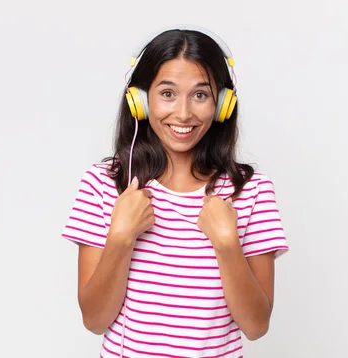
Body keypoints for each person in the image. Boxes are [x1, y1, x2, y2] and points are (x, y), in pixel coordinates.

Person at [61, 25, 289, 358]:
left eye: (201, 95)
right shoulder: (103, 184)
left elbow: (256, 326)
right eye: (167, 93)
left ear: (222, 104)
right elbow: (95, 320)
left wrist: (226, 242)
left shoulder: (251, 191)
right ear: (140, 100)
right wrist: (121, 235)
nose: (183, 113)